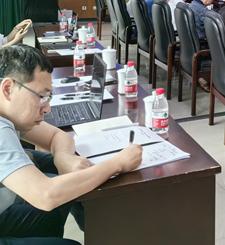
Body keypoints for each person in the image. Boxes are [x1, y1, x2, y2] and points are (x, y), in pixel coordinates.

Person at [0, 45, 142, 243]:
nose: (47, 108)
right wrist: (117, 164)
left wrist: (63, 158)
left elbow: (56, 136)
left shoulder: (9, 111)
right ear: (8, 89)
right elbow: (45, 194)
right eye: (41, 96)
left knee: (56, 203)